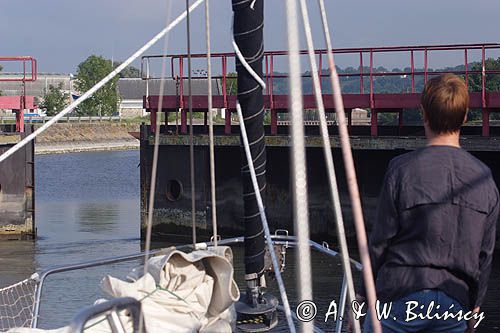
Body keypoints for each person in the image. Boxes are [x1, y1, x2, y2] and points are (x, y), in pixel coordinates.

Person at [360, 74, 499, 332]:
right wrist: (475, 309)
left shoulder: (401, 170)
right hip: (453, 303)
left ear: (424, 114)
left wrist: (361, 298)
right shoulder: (484, 180)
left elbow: (380, 242)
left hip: (399, 295)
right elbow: (485, 255)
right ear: (465, 116)